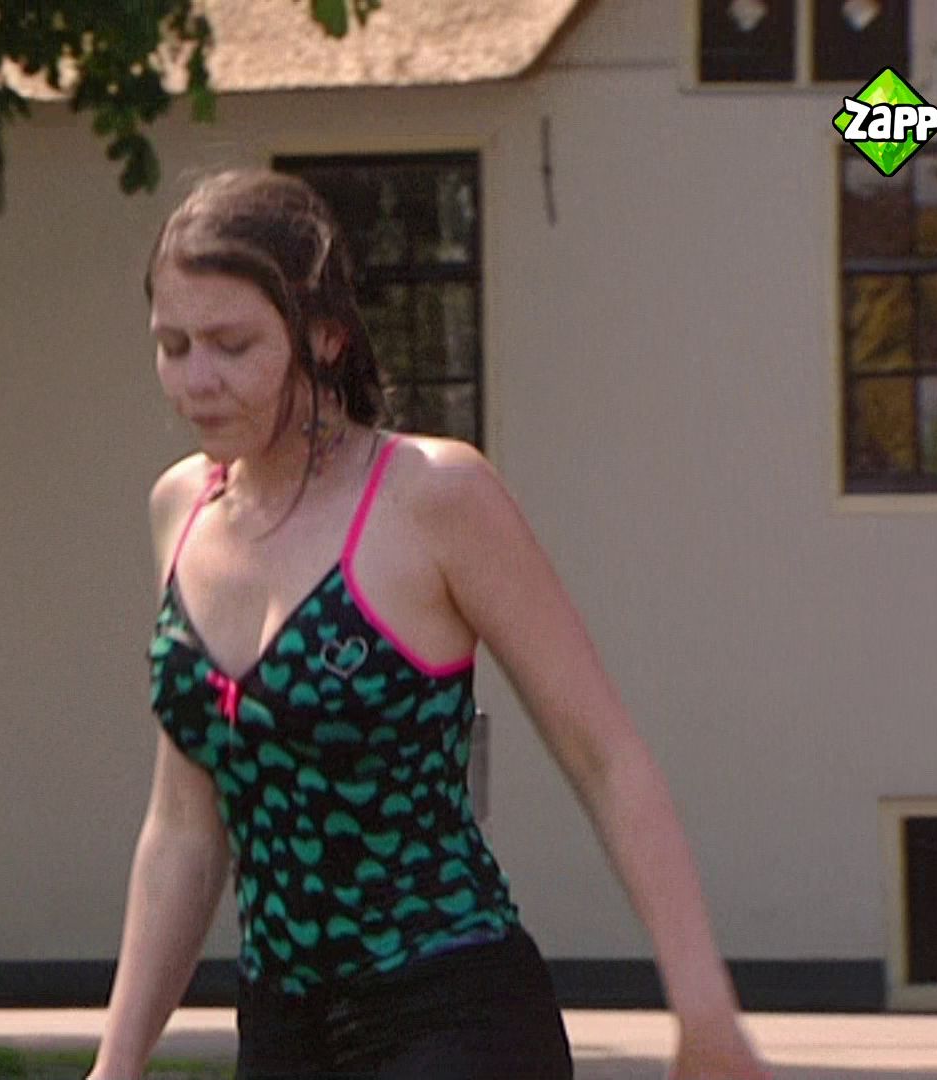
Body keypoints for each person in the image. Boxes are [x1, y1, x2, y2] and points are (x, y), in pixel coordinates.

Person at [86, 169, 772, 1080]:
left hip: (453, 1012)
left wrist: (705, 1012)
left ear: (324, 335)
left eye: (232, 344)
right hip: (282, 1031)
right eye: (172, 346)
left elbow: (604, 757)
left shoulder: (431, 497)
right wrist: (117, 1064)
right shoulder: (179, 511)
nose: (196, 379)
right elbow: (184, 826)